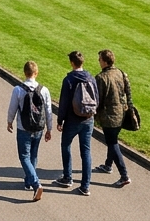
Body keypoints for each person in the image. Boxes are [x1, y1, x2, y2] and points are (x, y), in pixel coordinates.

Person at [7, 60, 53, 202]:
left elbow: (13, 107)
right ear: (36, 73)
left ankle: (35, 183)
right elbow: (48, 111)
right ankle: (28, 182)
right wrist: (49, 128)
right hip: (38, 128)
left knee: (24, 157)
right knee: (33, 154)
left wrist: (9, 121)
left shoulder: (18, 90)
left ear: (24, 73)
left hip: (23, 127)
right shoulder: (44, 90)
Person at [54, 50, 96, 196]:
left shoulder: (69, 80)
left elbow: (64, 102)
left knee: (66, 146)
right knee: (86, 151)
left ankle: (67, 177)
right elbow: (96, 97)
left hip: (72, 120)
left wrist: (60, 120)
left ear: (72, 63)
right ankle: (85, 186)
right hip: (88, 119)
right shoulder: (91, 78)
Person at [94, 49, 132, 188]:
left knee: (112, 143)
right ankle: (108, 165)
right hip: (121, 114)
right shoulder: (120, 73)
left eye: (100, 59)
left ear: (104, 61)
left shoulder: (101, 78)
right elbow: (128, 92)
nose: (98, 61)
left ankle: (124, 175)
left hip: (109, 116)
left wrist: (94, 114)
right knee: (113, 139)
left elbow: (98, 99)